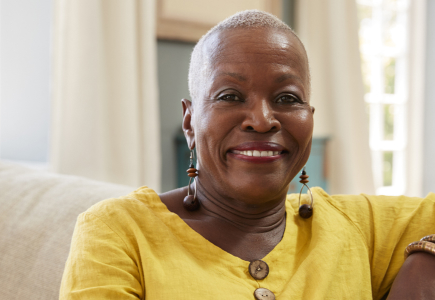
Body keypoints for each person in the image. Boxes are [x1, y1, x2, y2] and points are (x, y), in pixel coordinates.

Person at [59, 10, 435, 300]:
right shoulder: (118, 231)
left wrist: (426, 259)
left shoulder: (359, 228)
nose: (262, 120)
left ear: (310, 120)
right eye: (230, 96)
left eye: (287, 99)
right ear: (190, 121)